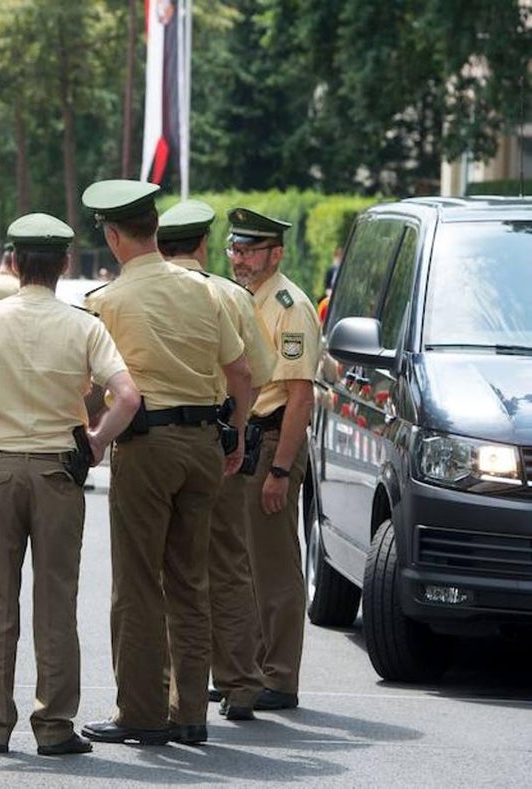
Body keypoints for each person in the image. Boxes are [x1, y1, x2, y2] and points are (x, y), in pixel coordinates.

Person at [0, 212, 141, 757]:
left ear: (13, 263)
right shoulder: (84, 324)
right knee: (56, 601)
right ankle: (55, 727)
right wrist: (98, 440)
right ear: (64, 264)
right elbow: (128, 396)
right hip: (59, 471)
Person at [79, 180, 252, 748]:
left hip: (146, 448)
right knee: (188, 579)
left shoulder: (106, 301)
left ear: (111, 235)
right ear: (156, 230)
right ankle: (190, 714)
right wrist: (238, 432)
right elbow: (242, 375)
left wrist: (86, 435)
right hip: (204, 442)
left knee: (136, 583)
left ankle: (141, 713)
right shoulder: (205, 292)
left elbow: (83, 385)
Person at [156, 200, 276, 722]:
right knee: (227, 561)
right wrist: (242, 431)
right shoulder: (231, 295)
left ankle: (169, 688)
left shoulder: (143, 292)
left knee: (164, 567)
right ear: (204, 244)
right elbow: (260, 371)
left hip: (155, 441)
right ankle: (241, 682)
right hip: (219, 437)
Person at [225, 207, 323, 711]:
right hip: (248, 440)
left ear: (275, 254)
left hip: (271, 442)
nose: (238, 259)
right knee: (243, 561)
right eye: (234, 249)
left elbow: (300, 396)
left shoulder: (290, 306)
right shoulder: (243, 298)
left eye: (248, 250)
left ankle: (280, 677)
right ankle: (253, 665)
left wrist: (281, 471)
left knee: (275, 565)